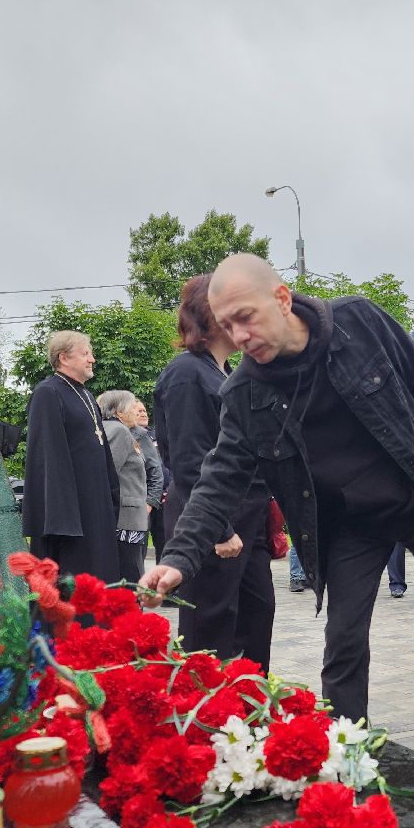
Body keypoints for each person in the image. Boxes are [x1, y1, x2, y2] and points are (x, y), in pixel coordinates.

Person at [140, 254, 414, 784]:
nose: (239, 335)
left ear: (282, 299)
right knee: (342, 644)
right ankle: (348, 768)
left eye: (246, 316)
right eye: (227, 326)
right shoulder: (244, 393)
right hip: (347, 527)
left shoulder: (359, 321)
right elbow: (217, 479)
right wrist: (177, 559)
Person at [152, 272, 276, 667]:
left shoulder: (224, 372)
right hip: (211, 526)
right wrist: (220, 530)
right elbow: (188, 462)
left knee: (256, 619)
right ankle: (207, 720)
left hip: (249, 523)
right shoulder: (186, 373)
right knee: (211, 628)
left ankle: (250, 716)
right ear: (212, 315)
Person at [20, 330, 120, 582]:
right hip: (69, 518)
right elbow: (48, 458)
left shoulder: (86, 396)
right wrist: (62, 519)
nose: (92, 359)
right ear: (64, 358)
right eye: (86, 353)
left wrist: (112, 497)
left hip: (96, 509)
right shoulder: (48, 392)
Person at [97, 390, 150, 583]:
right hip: (125, 519)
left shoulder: (118, 430)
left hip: (129, 516)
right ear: (119, 412)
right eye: (132, 407)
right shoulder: (116, 430)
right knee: (131, 575)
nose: (136, 411)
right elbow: (110, 472)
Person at [132, 400, 169, 561]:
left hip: (163, 500)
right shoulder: (127, 435)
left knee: (166, 547)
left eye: (144, 410)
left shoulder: (157, 435)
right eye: (138, 411)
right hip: (142, 501)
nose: (143, 413)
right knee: (139, 551)